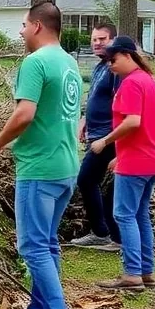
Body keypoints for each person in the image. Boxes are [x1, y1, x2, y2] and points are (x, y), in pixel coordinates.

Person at [0, 2, 83, 309]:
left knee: (33, 246)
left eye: (24, 25)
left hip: (39, 168)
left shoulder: (36, 62)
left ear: (38, 26)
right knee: (48, 243)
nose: (21, 31)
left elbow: (24, 113)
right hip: (67, 166)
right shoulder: (69, 63)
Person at [89, 35, 155, 291]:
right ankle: (147, 271)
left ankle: (132, 274)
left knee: (123, 214)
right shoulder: (150, 81)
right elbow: (146, 127)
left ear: (127, 55)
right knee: (140, 214)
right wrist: (119, 154)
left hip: (137, 163)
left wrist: (104, 141)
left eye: (113, 58)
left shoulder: (131, 83)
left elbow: (133, 121)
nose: (110, 63)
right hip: (153, 159)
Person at [69, 22, 121, 251]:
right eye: (94, 39)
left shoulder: (115, 69)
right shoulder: (101, 66)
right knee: (94, 183)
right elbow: (93, 97)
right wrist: (84, 120)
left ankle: (102, 232)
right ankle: (108, 232)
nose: (97, 43)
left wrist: (112, 139)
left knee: (86, 179)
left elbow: (122, 105)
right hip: (95, 133)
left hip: (107, 137)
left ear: (113, 40)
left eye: (103, 39)